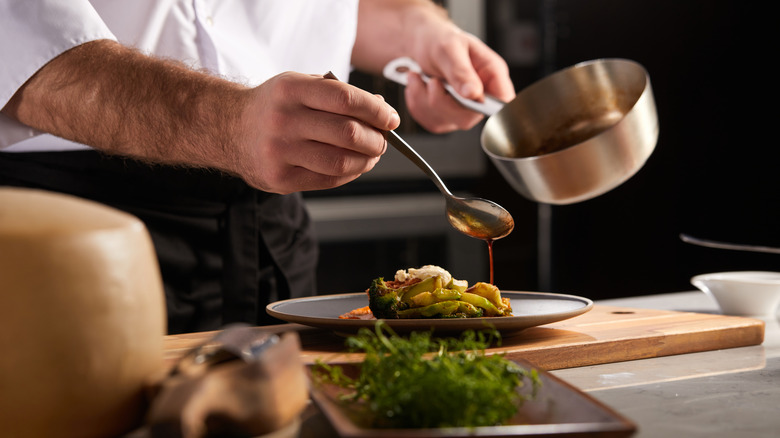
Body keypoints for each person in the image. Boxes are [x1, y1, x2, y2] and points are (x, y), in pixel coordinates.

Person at [0, 0, 514, 334]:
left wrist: (417, 32)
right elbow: (21, 51)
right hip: (69, 232)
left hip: (273, 230)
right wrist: (222, 122)